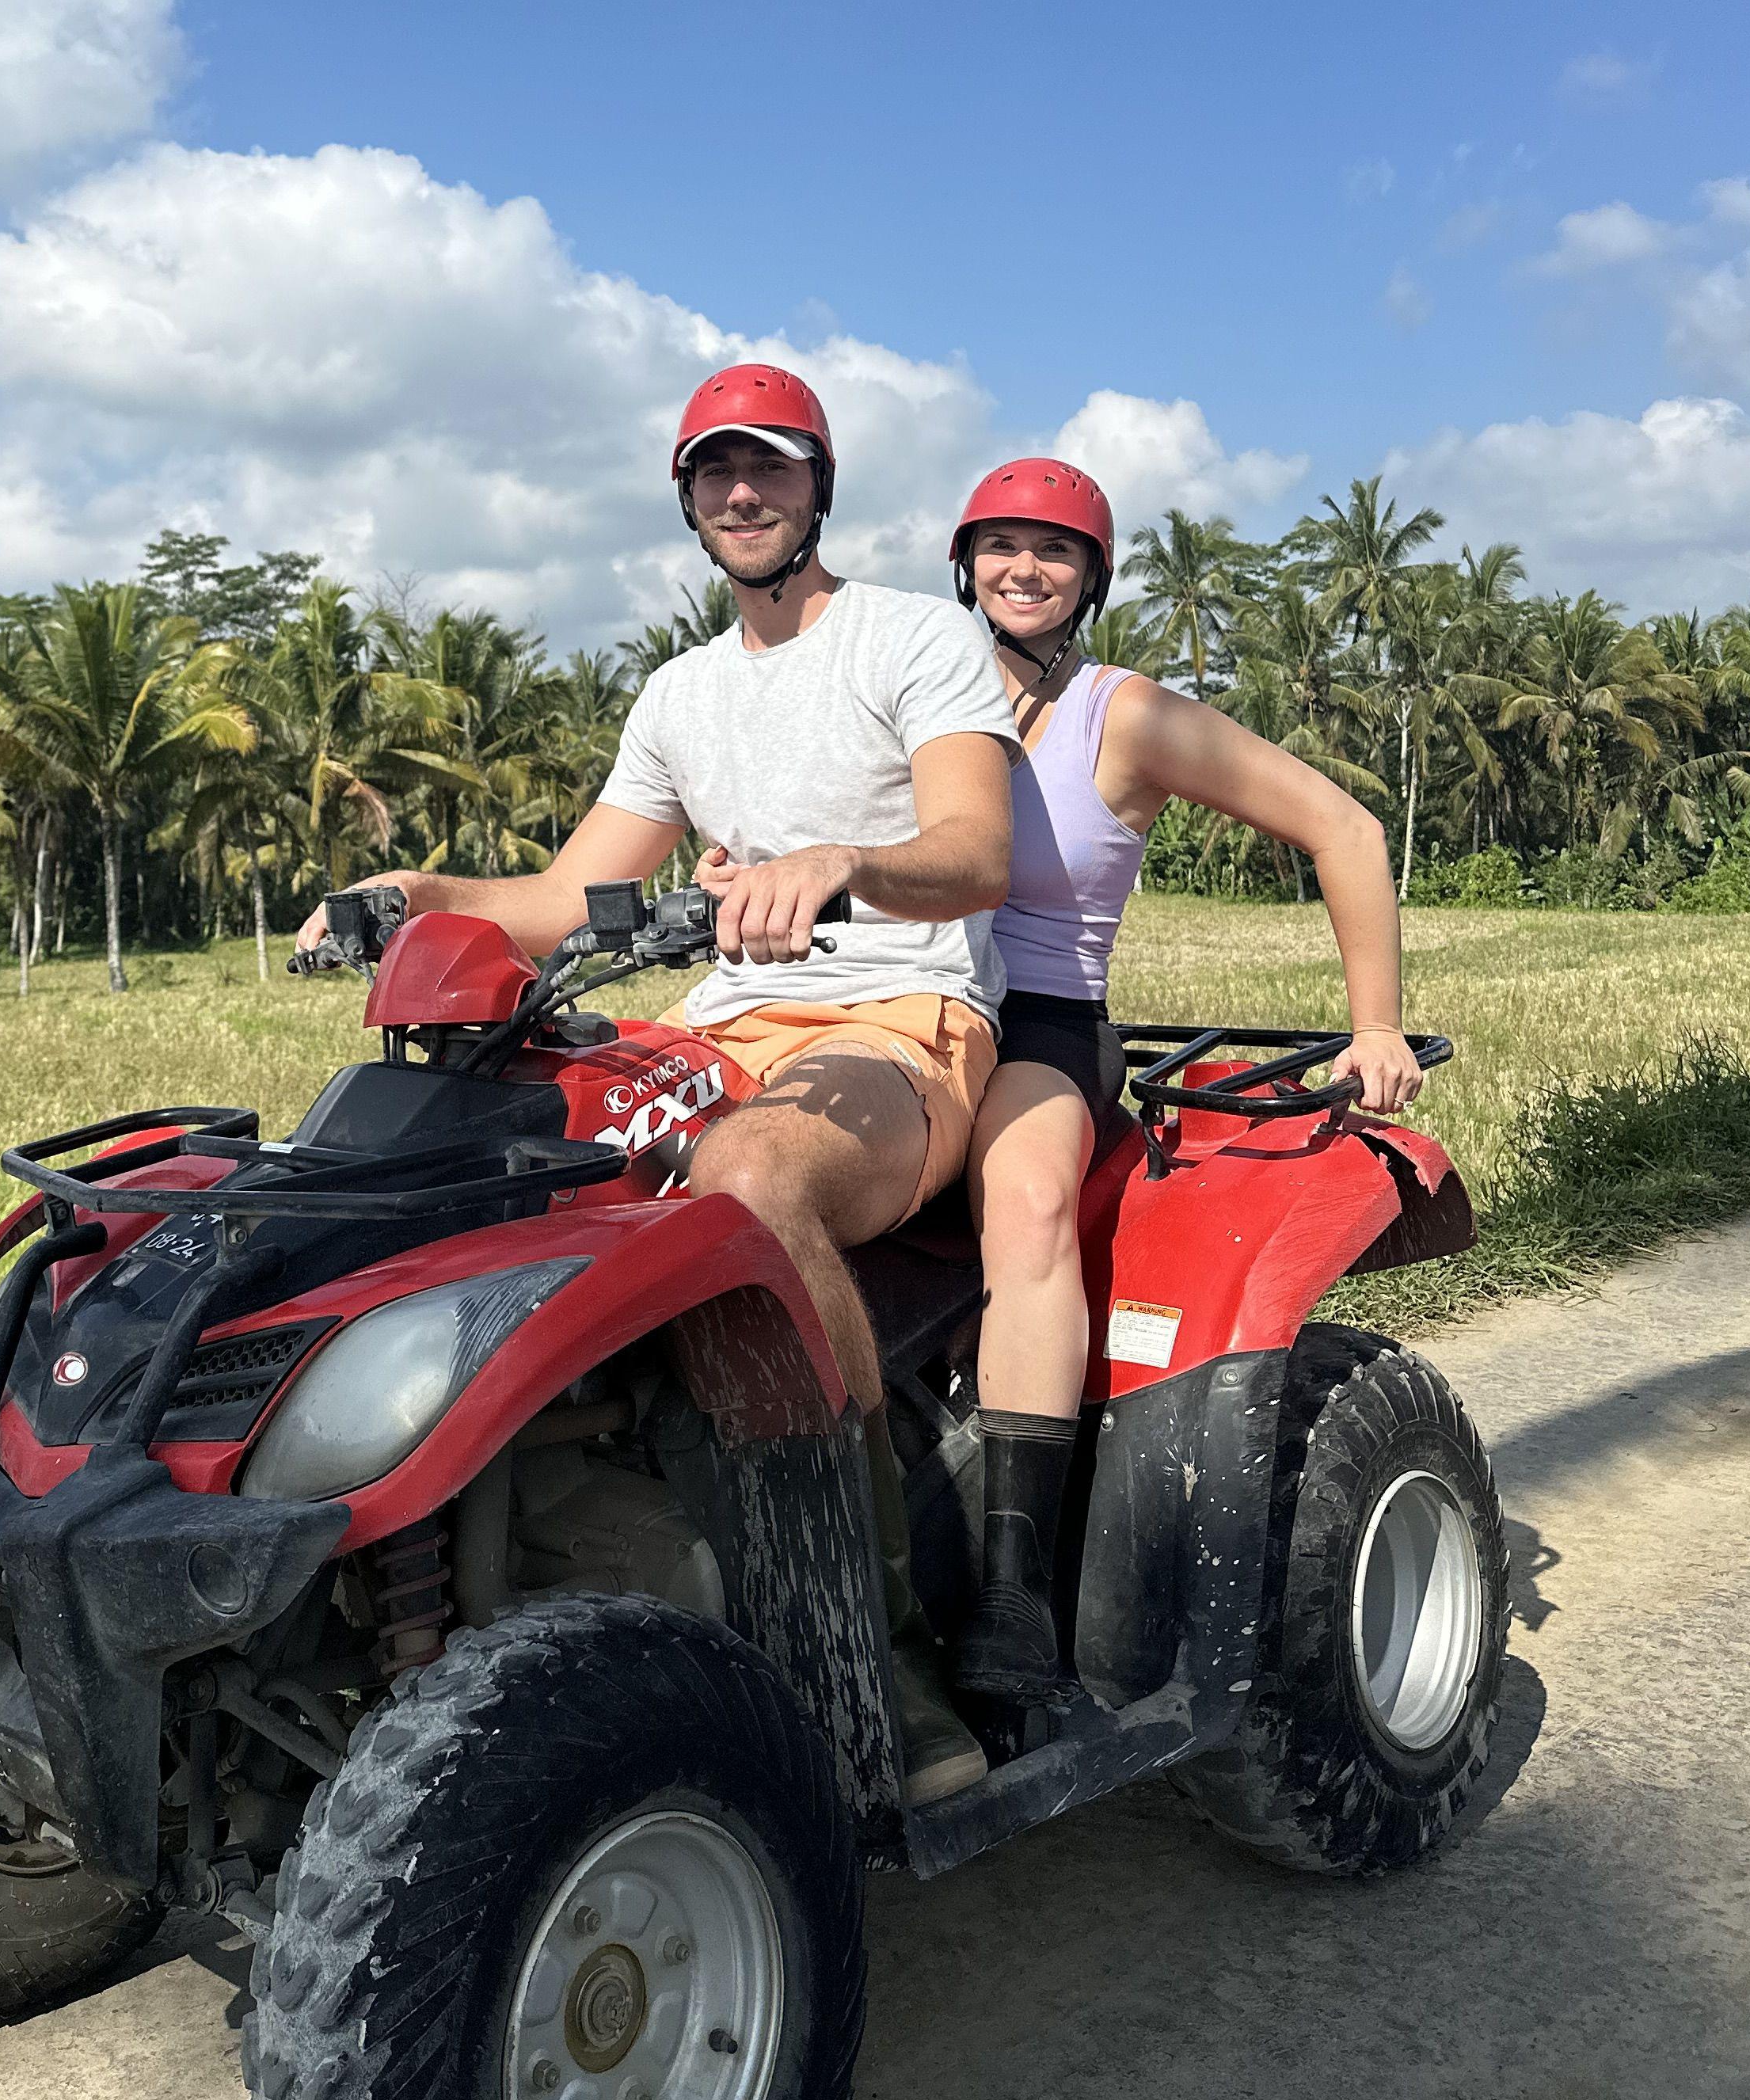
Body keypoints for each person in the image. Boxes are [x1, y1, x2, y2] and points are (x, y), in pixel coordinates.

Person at [295, 361, 1020, 1798]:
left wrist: (845, 866)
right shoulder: (683, 693)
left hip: (899, 1021)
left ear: (820, 484)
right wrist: (414, 888)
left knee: (748, 1178)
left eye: (771, 469)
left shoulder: (915, 642)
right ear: (687, 500)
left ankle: (876, 1649)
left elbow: (978, 851)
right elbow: (573, 893)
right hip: (722, 1024)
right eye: (714, 473)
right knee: (495, 1146)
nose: (743, 494)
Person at [938, 456, 1430, 1711]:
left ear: (1092, 577)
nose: (1024, 570)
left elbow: (1348, 830)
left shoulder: (1126, 714)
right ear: (966, 561)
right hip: (914, 1006)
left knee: (1032, 1199)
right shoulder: (918, 685)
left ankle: (1012, 1591)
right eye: (1002, 546)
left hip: (1045, 1022)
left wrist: (1374, 1024)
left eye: (1054, 551)